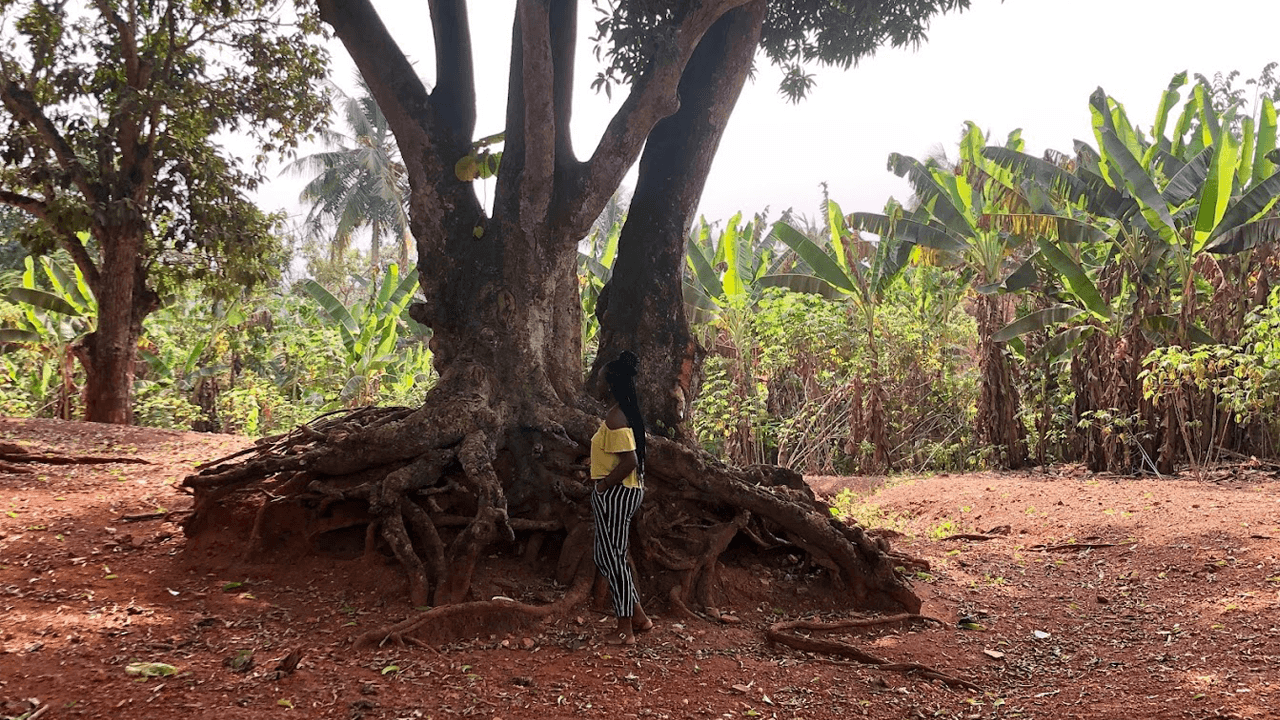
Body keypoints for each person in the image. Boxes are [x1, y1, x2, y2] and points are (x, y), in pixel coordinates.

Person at [591, 350, 654, 645]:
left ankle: (624, 628)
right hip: (624, 491)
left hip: (617, 493)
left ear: (612, 383)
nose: (597, 383)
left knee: (612, 559)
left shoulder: (616, 417)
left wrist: (603, 485)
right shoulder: (624, 413)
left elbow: (628, 461)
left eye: (602, 379)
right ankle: (639, 616)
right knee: (608, 557)